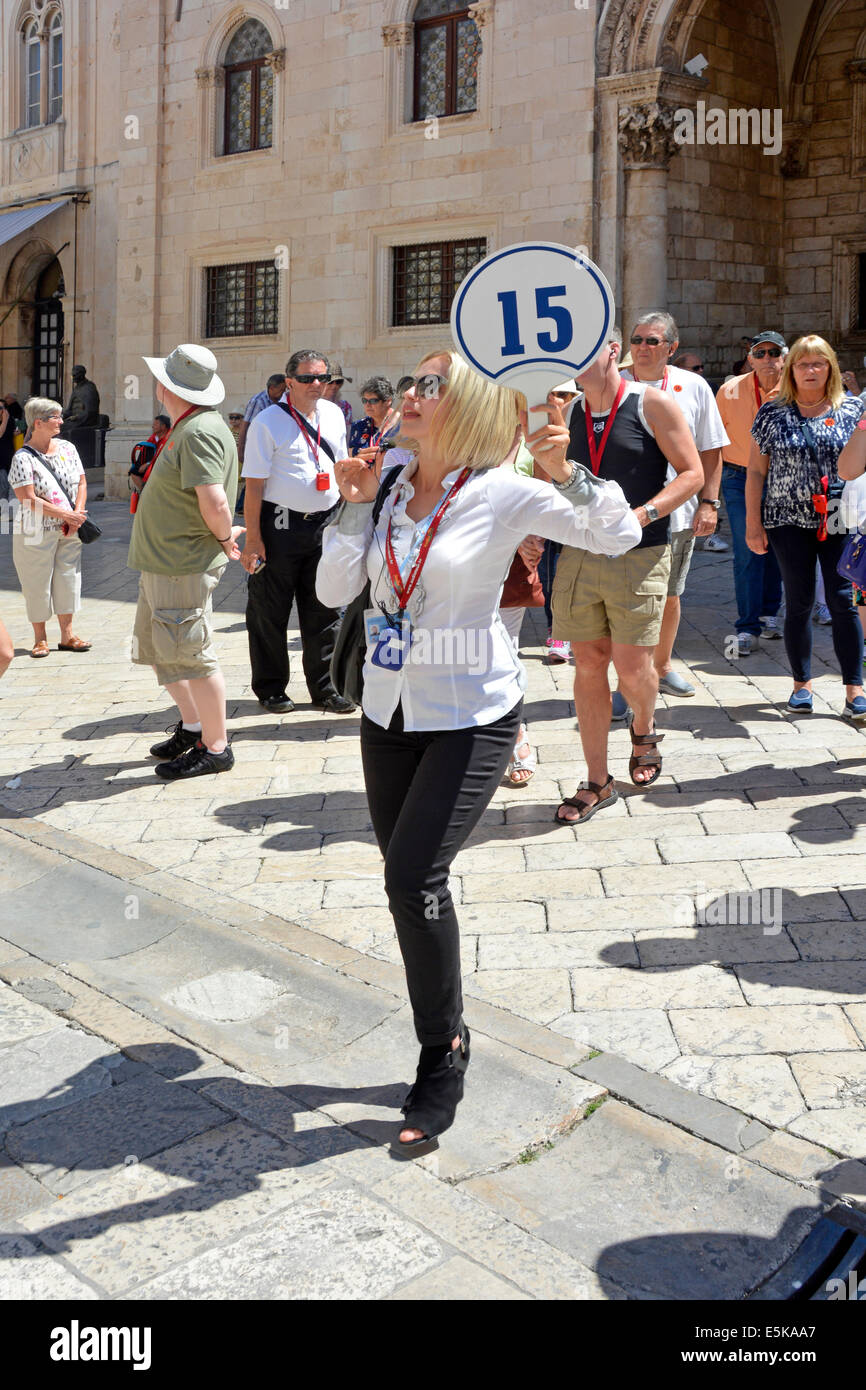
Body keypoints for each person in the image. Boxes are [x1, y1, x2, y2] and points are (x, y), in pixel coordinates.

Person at [316, 349, 641, 1150]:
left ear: (469, 410)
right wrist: (352, 508)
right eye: (414, 381)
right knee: (411, 893)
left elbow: (620, 531)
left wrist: (566, 472)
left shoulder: (500, 490)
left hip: (471, 713)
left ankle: (442, 1053)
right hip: (388, 709)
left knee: (410, 875)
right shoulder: (387, 484)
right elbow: (331, 592)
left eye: (434, 385)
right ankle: (447, 1026)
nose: (414, 395)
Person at [552, 327, 703, 817]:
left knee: (633, 668)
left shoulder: (650, 402)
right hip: (580, 552)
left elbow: (692, 473)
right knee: (589, 662)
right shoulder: (569, 411)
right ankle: (597, 781)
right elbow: (550, 480)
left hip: (641, 551)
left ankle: (643, 724)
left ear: (612, 350)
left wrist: (642, 516)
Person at [129, 344, 244, 778]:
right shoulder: (190, 427)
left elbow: (214, 501)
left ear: (167, 387)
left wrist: (222, 536)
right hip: (165, 563)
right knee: (164, 653)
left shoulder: (197, 432)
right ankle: (195, 728)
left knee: (193, 656)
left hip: (181, 564)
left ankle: (216, 748)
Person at [746, 335, 865, 720]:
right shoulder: (772, 412)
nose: (810, 371)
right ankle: (801, 685)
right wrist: (752, 524)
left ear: (830, 367)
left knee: (843, 601)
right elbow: (755, 471)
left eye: (818, 363)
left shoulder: (851, 409)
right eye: (802, 364)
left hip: (840, 518)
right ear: (791, 369)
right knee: (797, 601)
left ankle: (855, 687)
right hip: (786, 520)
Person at [620, 312, 729, 698]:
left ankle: (663, 667)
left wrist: (709, 503)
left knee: (669, 594)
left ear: (672, 347)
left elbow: (711, 448)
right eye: (637, 340)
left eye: (652, 341)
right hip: (622, 512)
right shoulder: (613, 384)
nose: (643, 348)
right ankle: (627, 681)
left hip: (677, 510)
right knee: (623, 596)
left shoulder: (693, 386)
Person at [241, 349, 354, 714]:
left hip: (326, 523)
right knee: (269, 611)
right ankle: (272, 688)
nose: (316, 385)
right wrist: (254, 541)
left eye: (322, 377)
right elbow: (254, 486)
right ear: (289, 382)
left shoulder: (334, 415)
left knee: (326, 608)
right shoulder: (267, 422)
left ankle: (326, 688)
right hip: (280, 526)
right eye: (306, 378)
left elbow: (341, 465)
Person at [717, 333, 786, 655]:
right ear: (750, 357)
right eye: (761, 353)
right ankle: (746, 627)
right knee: (748, 548)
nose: (768, 358)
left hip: (782, 477)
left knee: (776, 548)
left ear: (785, 356)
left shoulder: (794, 388)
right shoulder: (729, 390)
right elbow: (716, 438)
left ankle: (769, 613)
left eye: (775, 352)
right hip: (738, 475)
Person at [8, 398, 91, 657]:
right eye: (55, 416)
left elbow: (82, 482)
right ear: (38, 422)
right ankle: (40, 638)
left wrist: (76, 514)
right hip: (35, 529)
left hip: (70, 526)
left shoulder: (67, 448)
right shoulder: (22, 457)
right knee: (37, 581)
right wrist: (67, 514)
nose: (61, 421)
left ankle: (67, 635)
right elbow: (28, 499)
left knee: (68, 577)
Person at [543, 381, 579, 664]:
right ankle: (555, 628)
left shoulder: (581, 422)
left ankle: (565, 632)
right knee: (548, 574)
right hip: (546, 508)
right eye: (552, 394)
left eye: (564, 395)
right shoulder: (534, 424)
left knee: (569, 571)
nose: (557, 400)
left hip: (575, 509)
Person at [348, 377, 401, 459]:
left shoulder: (403, 424)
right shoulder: (359, 425)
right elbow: (350, 453)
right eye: (364, 400)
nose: (367, 405)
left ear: (388, 401)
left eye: (373, 401)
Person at [322, 363, 354, 436]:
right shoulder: (311, 405)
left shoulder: (345, 407)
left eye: (338, 381)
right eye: (330, 382)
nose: (334, 385)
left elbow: (348, 434)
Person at [0, 399, 15, 502]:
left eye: (0, 408)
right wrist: (4, 420)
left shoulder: (10, 420)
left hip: (8, 455)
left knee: (8, 486)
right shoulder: (6, 420)